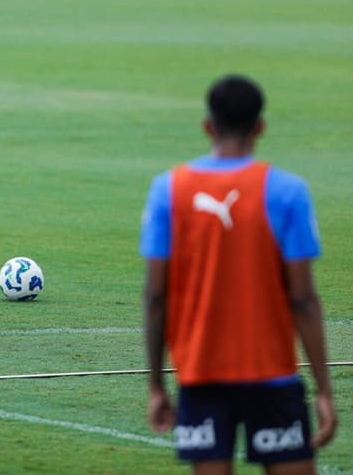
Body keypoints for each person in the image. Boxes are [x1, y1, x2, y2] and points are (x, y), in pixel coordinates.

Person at [140, 75, 337, 474]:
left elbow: (155, 297)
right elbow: (303, 299)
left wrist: (158, 385)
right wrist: (324, 390)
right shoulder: (287, 191)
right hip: (273, 376)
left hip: (201, 377)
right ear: (260, 127)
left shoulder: (169, 190)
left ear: (208, 126)